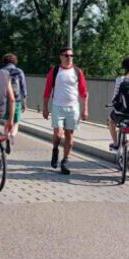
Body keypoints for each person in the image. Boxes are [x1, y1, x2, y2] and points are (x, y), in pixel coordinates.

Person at [42, 47, 89, 175]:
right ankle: (55, 149)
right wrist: (45, 108)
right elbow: (47, 91)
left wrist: (85, 109)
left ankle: (65, 161)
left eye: (71, 56)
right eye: (66, 55)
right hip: (58, 106)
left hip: (73, 107)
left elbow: (84, 92)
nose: (69, 58)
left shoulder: (77, 71)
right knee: (58, 134)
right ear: (61, 57)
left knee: (70, 135)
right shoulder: (55, 71)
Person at [0, 53, 27, 153]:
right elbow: (23, 88)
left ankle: (6, 136)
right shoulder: (19, 71)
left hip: (4, 100)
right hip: (16, 100)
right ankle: (11, 134)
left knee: (7, 120)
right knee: (16, 122)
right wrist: (24, 102)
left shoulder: (1, 72)